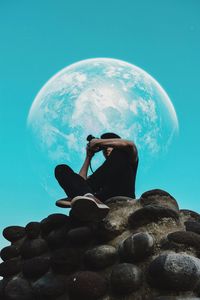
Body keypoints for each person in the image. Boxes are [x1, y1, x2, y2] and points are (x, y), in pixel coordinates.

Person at [54, 132, 138, 222]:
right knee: (61, 169)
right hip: (101, 201)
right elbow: (81, 183)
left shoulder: (128, 157)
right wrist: (88, 157)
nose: (107, 150)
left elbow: (130, 145)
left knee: (120, 152)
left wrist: (98, 142)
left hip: (123, 195)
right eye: (104, 149)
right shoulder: (101, 173)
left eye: (110, 146)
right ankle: (90, 198)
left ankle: (80, 199)